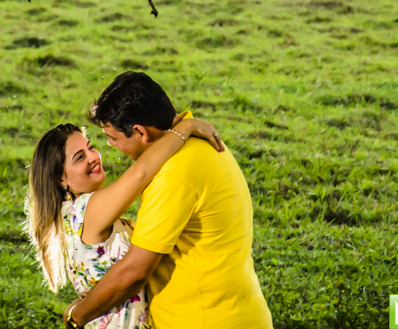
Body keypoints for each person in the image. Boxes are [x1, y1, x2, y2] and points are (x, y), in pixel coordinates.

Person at [63, 72, 273, 329]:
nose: (110, 145)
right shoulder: (202, 142)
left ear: (140, 131)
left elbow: (134, 272)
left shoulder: (173, 173)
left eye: (114, 138)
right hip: (237, 310)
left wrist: (78, 316)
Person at [26, 112, 224, 329]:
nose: (93, 157)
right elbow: (141, 173)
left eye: (91, 148)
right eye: (79, 158)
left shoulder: (71, 215)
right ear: (61, 178)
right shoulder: (85, 210)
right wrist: (185, 128)